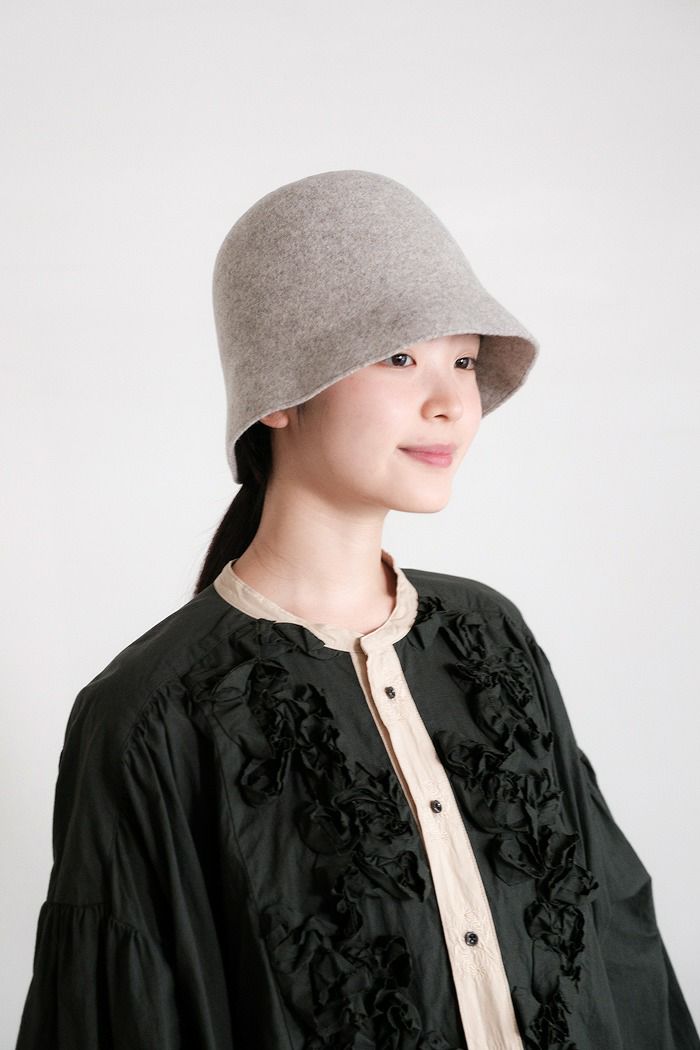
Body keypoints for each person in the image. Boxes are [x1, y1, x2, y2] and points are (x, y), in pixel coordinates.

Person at [15, 169, 699, 1050]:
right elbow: (119, 1015)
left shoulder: (491, 641)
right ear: (279, 395)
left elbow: (620, 947)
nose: (452, 402)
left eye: (463, 360)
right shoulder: (151, 715)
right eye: (400, 357)